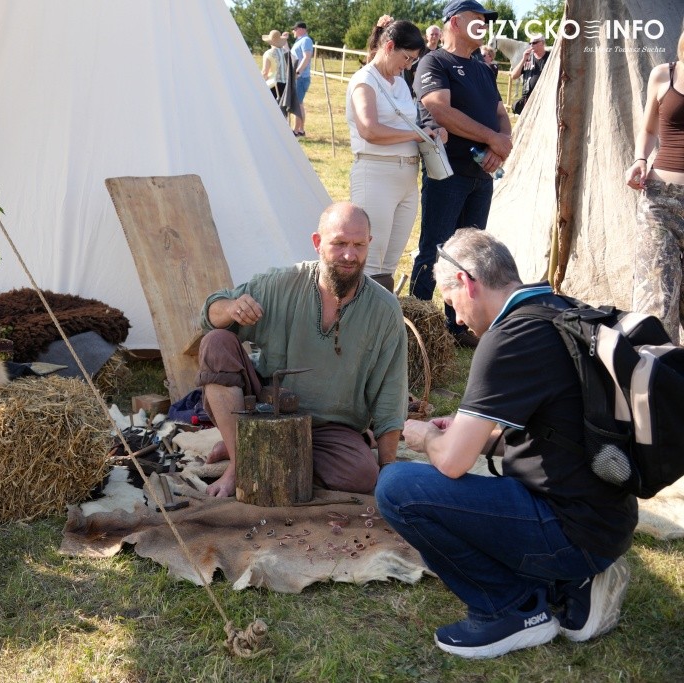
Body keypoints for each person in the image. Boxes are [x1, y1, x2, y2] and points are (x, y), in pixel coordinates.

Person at [376, 228, 635, 659]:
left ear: (467, 283)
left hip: (570, 530)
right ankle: (574, 578)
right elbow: (551, 435)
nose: (457, 319)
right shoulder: (558, 310)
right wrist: (471, 436)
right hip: (606, 520)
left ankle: (511, 608)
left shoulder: (507, 339)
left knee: (397, 488)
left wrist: (428, 437)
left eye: (451, 302)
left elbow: (452, 463)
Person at [196, 202, 407, 498]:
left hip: (328, 431)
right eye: (339, 243)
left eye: (359, 245)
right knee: (216, 342)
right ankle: (240, 462)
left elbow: (391, 394)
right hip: (266, 412)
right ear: (317, 242)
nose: (350, 255)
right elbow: (208, 315)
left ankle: (253, 447)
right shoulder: (282, 284)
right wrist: (231, 308)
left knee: (362, 476)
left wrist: (388, 471)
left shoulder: (384, 310)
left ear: (369, 243)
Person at [410, 0, 512, 348]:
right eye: (477, 18)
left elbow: (501, 114)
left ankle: (457, 326)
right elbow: (438, 109)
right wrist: (492, 139)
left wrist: (501, 145)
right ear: (454, 22)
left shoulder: (484, 69)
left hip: (482, 175)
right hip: (448, 172)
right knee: (435, 248)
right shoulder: (435, 61)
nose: (484, 24)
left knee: (470, 254)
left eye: (486, 20)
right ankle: (416, 325)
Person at [347, 18, 447, 293]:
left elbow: (408, 124)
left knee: (389, 263)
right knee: (370, 261)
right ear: (389, 46)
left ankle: (381, 316)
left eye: (414, 60)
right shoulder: (364, 80)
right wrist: (416, 135)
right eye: (407, 58)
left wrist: (429, 132)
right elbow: (369, 130)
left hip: (406, 178)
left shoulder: (401, 83)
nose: (409, 65)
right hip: (376, 174)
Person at [625, 25, 684, 344]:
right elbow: (648, 131)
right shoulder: (664, 74)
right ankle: (659, 373)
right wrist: (640, 159)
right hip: (659, 203)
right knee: (657, 304)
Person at [510, 36, 549, 114]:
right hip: (527, 98)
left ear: (542, 43)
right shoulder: (528, 58)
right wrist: (523, 59)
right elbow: (514, 76)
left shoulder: (550, 57)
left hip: (544, 98)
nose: (531, 45)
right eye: (530, 43)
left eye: (534, 43)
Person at [291, 22, 315, 137]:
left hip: (301, 77)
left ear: (301, 29)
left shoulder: (306, 40)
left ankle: (296, 130)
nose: (293, 31)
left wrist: (298, 72)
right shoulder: (299, 41)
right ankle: (300, 130)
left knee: (298, 104)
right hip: (300, 77)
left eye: (294, 29)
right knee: (299, 104)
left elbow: (307, 57)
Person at [261, 29, 289, 102]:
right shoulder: (287, 52)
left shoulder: (268, 53)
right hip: (286, 84)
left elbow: (265, 72)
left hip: (273, 84)